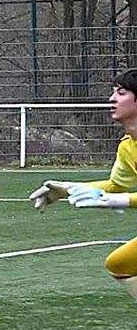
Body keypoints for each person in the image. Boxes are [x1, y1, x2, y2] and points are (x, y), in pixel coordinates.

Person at [31, 68, 137, 300]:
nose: (111, 99)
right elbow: (116, 184)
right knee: (120, 263)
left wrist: (116, 201)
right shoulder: (127, 146)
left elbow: (116, 195)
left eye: (121, 92)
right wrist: (66, 189)